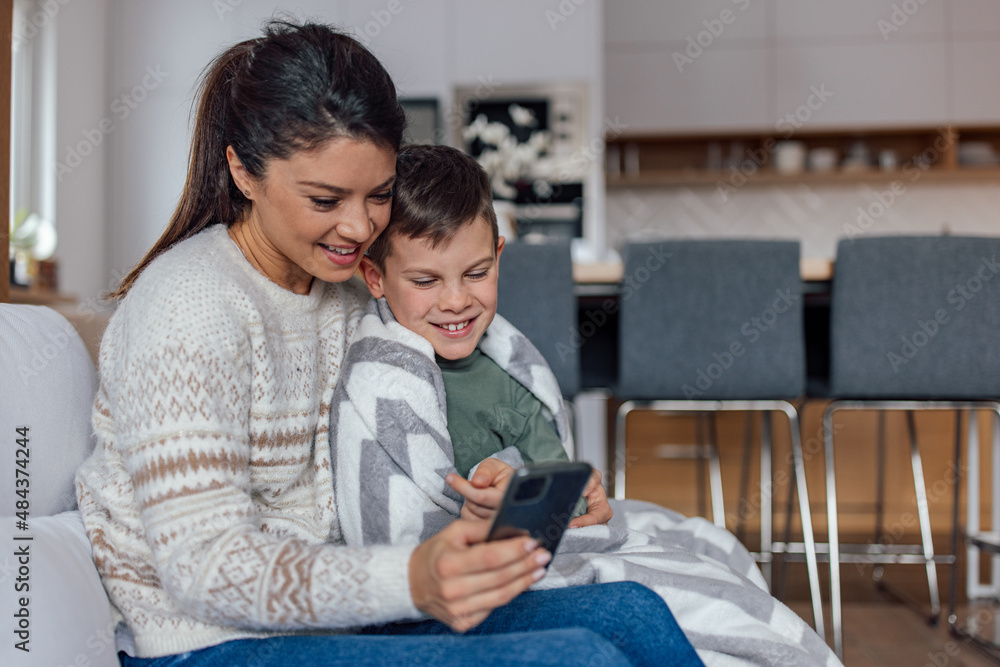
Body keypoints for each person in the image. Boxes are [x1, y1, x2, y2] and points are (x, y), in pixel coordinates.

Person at [73, 20, 704, 667]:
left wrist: (522, 481)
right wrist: (409, 577)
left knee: (634, 610)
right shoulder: (187, 307)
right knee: (576, 658)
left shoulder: (350, 290)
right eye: (325, 198)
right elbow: (203, 568)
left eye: (378, 195)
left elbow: (418, 447)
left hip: (344, 617)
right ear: (243, 170)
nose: (358, 226)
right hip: (207, 643)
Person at [349, 144, 610, 528]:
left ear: (498, 257)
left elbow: (568, 501)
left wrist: (512, 478)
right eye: (425, 280)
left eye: (476, 274)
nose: (456, 301)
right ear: (375, 277)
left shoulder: (512, 383)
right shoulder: (367, 376)